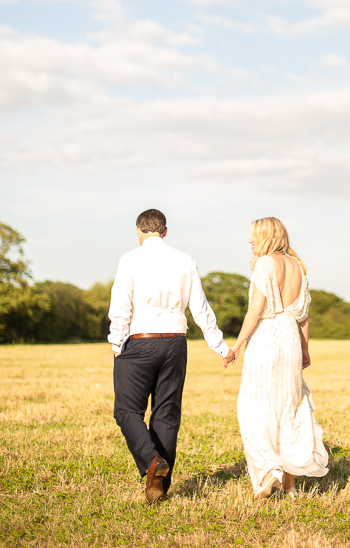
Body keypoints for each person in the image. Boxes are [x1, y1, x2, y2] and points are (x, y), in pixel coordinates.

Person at [108, 209, 234, 502]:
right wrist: (221, 346)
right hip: (176, 343)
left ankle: (153, 462)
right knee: (166, 414)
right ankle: (159, 488)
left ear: (139, 231)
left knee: (127, 411)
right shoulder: (185, 259)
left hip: (140, 340)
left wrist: (117, 344)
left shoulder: (130, 259)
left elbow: (121, 306)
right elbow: (201, 308)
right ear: (164, 231)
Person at [226, 217, 329, 498]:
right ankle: (291, 485)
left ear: (268, 236)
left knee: (256, 408)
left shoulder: (265, 263)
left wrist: (236, 345)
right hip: (291, 339)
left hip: (267, 337)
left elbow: (256, 310)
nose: (250, 241)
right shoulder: (298, 266)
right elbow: (304, 315)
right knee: (289, 408)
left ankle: (270, 470)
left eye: (255, 236)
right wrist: (305, 348)